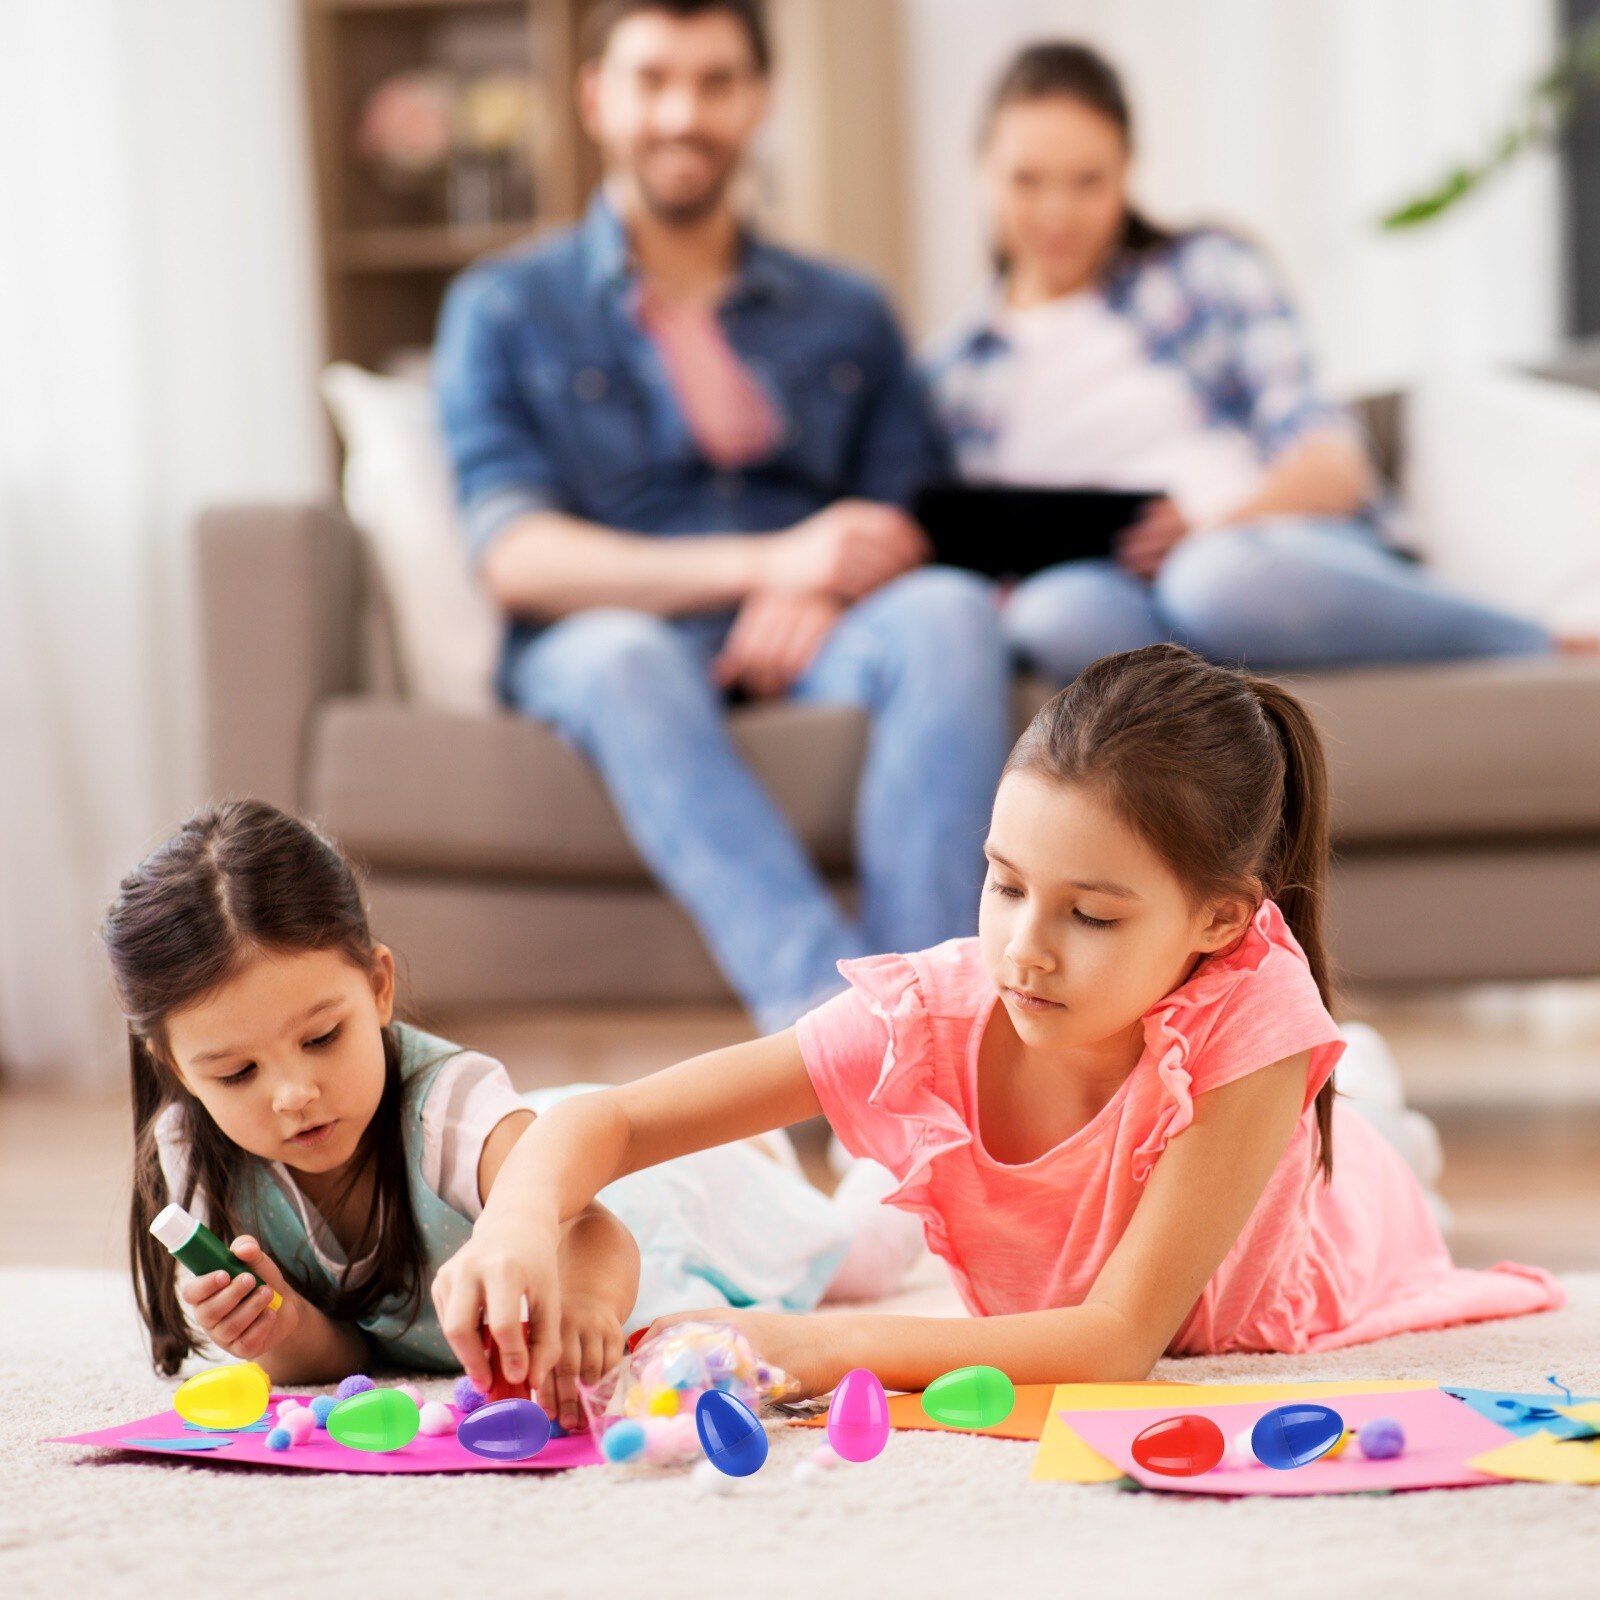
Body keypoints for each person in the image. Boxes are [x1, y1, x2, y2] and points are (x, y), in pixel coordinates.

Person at [429, 645, 1562, 1400]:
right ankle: (1358, 1092)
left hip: (1314, 1235)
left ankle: (1360, 1098)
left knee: (1376, 1155)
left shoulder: (1247, 1019)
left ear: (1218, 919)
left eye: (1091, 914)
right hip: (1180, 1152)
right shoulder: (938, 1010)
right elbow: (617, 1121)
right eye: (1004, 882)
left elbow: (1116, 1342)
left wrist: (823, 1345)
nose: (1025, 944)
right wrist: (519, 1219)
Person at [435, 0, 1006, 1033]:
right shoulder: (505, 307)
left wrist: (825, 580)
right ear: (598, 97)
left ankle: (931, 1017)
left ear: (760, 101)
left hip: (818, 631)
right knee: (620, 658)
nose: (682, 113)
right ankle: (843, 1038)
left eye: (714, 82)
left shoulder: (849, 308)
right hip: (617, 637)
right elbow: (519, 556)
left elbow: (910, 513)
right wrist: (773, 562)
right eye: (654, 81)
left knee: (950, 614)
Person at [106, 801, 918, 1425]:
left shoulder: (450, 1108)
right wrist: (276, 1331)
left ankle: (877, 1151)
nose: (291, 1094)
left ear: (379, 986)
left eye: (322, 1037)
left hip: (650, 1199)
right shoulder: (193, 1153)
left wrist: (592, 1305)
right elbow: (355, 1351)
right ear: (175, 1067)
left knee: (866, 1260)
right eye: (236, 1071)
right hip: (556, 1152)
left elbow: (595, 1227)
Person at [928, 41, 1557, 684]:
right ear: (981, 172)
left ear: (1127, 174)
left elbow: (1334, 466)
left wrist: (1205, 527)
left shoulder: (1209, 269)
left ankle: (1537, 641)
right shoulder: (953, 375)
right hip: (1107, 589)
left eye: (1089, 181)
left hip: (1262, 551)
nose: (1057, 212)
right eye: (1027, 180)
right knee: (1055, 619)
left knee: (1213, 583)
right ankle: (1206, 729)